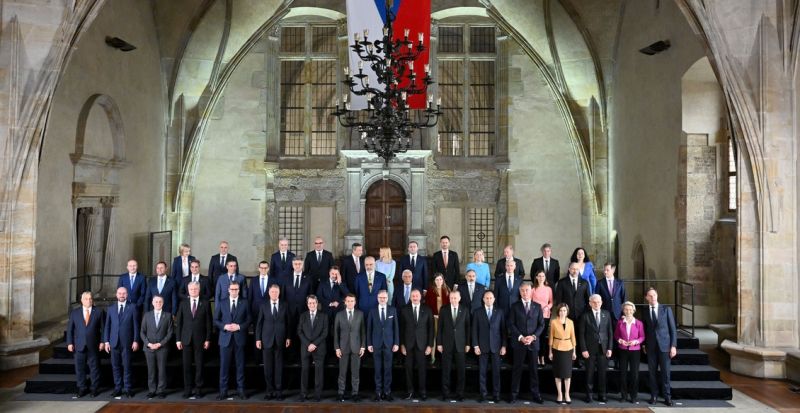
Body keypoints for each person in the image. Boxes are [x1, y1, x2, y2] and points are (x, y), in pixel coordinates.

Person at [508, 282, 545, 404]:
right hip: (519, 343)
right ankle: (514, 395)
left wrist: (533, 337)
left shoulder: (537, 306)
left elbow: (541, 325)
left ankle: (536, 395)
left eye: (527, 290)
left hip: (533, 343)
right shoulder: (514, 306)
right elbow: (511, 324)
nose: (525, 292)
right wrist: (520, 337)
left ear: (531, 291)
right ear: (520, 292)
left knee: (534, 370)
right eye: (522, 290)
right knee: (516, 370)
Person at [175, 281, 212, 399]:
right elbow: (179, 323)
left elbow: (209, 323)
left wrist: (208, 339)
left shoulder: (205, 303)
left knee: (199, 365)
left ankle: (198, 389)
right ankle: (188, 389)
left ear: (199, 290)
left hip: (200, 339)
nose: (193, 291)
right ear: (188, 290)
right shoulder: (183, 303)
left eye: (195, 289)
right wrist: (178, 340)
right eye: (191, 289)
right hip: (185, 339)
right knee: (186, 366)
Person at [215, 281, 250, 400]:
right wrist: (224, 326)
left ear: (239, 290)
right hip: (225, 339)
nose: (234, 291)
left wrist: (239, 326)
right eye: (232, 289)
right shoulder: (222, 302)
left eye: (236, 289)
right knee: (224, 366)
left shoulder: (244, 302)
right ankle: (223, 391)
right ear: (228, 290)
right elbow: (216, 320)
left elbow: (249, 319)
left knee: (240, 366)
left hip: (240, 338)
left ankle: (241, 390)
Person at [642, 287, 677, 406]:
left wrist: (673, 346)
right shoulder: (645, 311)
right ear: (646, 298)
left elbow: (673, 329)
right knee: (652, 373)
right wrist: (644, 345)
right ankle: (654, 396)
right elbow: (644, 330)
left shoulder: (666, 309)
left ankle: (667, 397)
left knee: (665, 373)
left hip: (665, 346)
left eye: (654, 295)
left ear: (657, 295)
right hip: (651, 347)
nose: (653, 297)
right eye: (650, 296)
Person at [103, 286, 140, 398]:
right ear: (116, 295)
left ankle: (128, 388)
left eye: (124, 293)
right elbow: (107, 326)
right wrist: (106, 341)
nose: (122, 295)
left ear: (127, 295)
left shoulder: (133, 307)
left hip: (127, 342)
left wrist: (135, 340)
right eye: (119, 293)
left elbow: (136, 326)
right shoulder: (111, 308)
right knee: (115, 366)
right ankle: (118, 388)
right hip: (113, 342)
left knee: (127, 366)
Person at [255, 284, 290, 400]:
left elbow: (288, 322)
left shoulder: (285, 305)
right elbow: (259, 323)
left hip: (280, 339)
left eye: (276, 292)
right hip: (266, 340)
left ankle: (279, 392)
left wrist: (288, 337)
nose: (274, 294)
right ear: (269, 293)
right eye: (272, 292)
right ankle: (269, 391)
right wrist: (258, 339)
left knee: (279, 367)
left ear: (279, 293)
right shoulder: (263, 305)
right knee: (268, 368)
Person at [66, 291, 104, 398]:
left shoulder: (99, 312)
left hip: (94, 345)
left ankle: (94, 389)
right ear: (82, 300)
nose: (89, 301)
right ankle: (82, 388)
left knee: (94, 368)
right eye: (86, 299)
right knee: (80, 368)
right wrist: (69, 343)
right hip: (79, 345)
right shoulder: (75, 313)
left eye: (90, 298)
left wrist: (102, 341)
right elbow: (70, 329)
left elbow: (104, 328)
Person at [472, 290, 506, 403]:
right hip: (482, 347)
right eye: (487, 298)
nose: (489, 300)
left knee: (496, 372)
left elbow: (503, 331)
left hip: (496, 347)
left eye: (491, 298)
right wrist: (476, 346)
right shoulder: (477, 312)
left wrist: (504, 346)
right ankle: (483, 394)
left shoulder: (500, 312)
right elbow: (474, 330)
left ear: (494, 299)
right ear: (483, 299)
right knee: (482, 372)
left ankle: (496, 395)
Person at [400, 289, 433, 400]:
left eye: (417, 296)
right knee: (408, 369)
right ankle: (410, 391)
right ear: (410, 297)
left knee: (422, 369)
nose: (415, 298)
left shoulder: (427, 309)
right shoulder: (404, 310)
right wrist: (402, 344)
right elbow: (401, 329)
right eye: (413, 296)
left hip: (422, 345)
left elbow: (431, 329)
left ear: (420, 297)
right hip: (408, 345)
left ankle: (422, 391)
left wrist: (429, 345)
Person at [579, 294, 613, 403]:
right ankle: (589, 395)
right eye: (594, 302)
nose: (596, 304)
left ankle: (602, 395)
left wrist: (610, 348)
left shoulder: (606, 314)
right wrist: (584, 349)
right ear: (590, 303)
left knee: (602, 373)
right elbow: (581, 334)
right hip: (589, 350)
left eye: (598, 302)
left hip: (603, 349)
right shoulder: (585, 316)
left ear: (601, 302)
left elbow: (610, 332)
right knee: (589, 373)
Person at [366, 290, 399, 402]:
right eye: (380, 297)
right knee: (377, 370)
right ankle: (378, 393)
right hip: (376, 344)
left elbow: (396, 328)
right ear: (377, 298)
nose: (382, 299)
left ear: (387, 298)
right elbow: (369, 328)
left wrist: (396, 343)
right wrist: (369, 343)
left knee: (388, 369)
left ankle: (387, 392)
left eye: (384, 297)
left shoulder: (393, 310)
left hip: (389, 344)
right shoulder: (372, 311)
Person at [437, 289, 469, 402]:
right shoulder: (443, 309)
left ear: (459, 298)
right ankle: (446, 394)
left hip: (461, 345)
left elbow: (467, 328)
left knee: (461, 371)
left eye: (455, 298)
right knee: (446, 370)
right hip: (446, 344)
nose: (453, 300)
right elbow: (440, 328)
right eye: (451, 298)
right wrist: (439, 343)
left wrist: (468, 344)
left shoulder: (464, 309)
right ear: (449, 299)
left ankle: (460, 394)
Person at [140, 295, 173, 399]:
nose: (158, 303)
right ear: (152, 303)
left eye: (160, 302)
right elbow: (142, 332)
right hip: (149, 348)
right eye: (156, 302)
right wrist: (148, 344)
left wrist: (160, 344)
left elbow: (170, 333)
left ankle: (161, 391)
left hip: (162, 348)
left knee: (162, 370)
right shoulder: (147, 315)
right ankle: (152, 390)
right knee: (151, 370)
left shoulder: (168, 316)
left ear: (163, 303)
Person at [334, 294, 366, 402]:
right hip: (343, 348)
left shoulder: (360, 314)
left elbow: (363, 331)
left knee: (355, 373)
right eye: (348, 301)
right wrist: (337, 348)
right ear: (345, 302)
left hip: (356, 347)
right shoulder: (339, 314)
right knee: (342, 372)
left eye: (352, 301)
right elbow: (336, 332)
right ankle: (340, 393)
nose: (350, 303)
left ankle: (355, 393)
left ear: (355, 302)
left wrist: (363, 346)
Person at [297, 295, 328, 402]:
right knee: (304, 371)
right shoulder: (303, 316)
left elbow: (325, 333)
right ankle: (303, 393)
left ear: (317, 303)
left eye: (314, 303)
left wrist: (314, 344)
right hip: (305, 348)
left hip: (319, 347)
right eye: (310, 303)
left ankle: (318, 394)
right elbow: (299, 331)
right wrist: (308, 344)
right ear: (307, 304)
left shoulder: (324, 316)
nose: (312, 305)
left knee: (319, 372)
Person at [615, 301, 645, 404]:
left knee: (634, 374)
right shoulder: (620, 322)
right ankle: (623, 396)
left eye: (630, 309)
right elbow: (616, 335)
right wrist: (620, 340)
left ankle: (633, 396)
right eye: (626, 309)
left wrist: (636, 341)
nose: (628, 311)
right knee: (623, 374)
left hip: (635, 351)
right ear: (623, 311)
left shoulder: (639, 323)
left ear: (633, 310)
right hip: (622, 350)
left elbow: (642, 337)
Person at [317, 266, 349, 357]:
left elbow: (347, 295)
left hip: (338, 313)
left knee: (337, 332)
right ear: (329, 273)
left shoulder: (341, 283)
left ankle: (337, 353)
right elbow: (319, 296)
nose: (334, 275)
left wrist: (340, 283)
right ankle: (326, 353)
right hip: (325, 312)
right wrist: (330, 303)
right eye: (332, 273)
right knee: (325, 332)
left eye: (336, 274)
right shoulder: (323, 283)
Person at [549, 303, 577, 405]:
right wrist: (550, 352)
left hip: (568, 348)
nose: (562, 312)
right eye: (561, 310)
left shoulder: (570, 322)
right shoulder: (553, 322)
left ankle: (567, 394)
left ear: (567, 311)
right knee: (558, 373)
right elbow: (551, 338)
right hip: (557, 348)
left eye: (564, 310)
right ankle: (560, 394)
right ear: (558, 311)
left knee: (567, 374)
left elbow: (573, 337)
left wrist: (574, 351)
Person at [284, 257, 312, 361]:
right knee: (290, 333)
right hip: (289, 311)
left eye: (299, 264)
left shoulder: (308, 278)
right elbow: (283, 295)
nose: (297, 266)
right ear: (292, 265)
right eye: (295, 264)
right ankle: (291, 357)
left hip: (303, 311)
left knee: (303, 333)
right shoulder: (286, 278)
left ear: (302, 265)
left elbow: (310, 295)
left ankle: (302, 357)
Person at [424, 273, 449, 358]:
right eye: (437, 280)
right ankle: (432, 356)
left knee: (443, 335)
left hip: (444, 318)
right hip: (433, 317)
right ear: (434, 281)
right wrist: (432, 315)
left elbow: (449, 305)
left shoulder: (447, 290)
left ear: (443, 280)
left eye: (440, 279)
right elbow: (427, 305)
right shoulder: (430, 290)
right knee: (433, 336)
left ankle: (443, 355)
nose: (439, 281)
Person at [531, 270, 553, 365]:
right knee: (536, 336)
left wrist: (547, 307)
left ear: (545, 278)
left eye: (543, 276)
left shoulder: (549, 289)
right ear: (536, 277)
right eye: (539, 276)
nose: (541, 278)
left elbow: (551, 302)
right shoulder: (533, 289)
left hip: (545, 315)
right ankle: (535, 356)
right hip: (534, 316)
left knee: (543, 337)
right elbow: (530, 302)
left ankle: (542, 357)